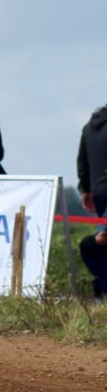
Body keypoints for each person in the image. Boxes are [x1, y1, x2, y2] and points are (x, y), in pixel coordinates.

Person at [77, 102, 107, 297]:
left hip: (98, 191)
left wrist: (86, 190)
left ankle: (102, 285)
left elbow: (82, 163)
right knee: (101, 238)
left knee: (100, 241)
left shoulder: (88, 128)